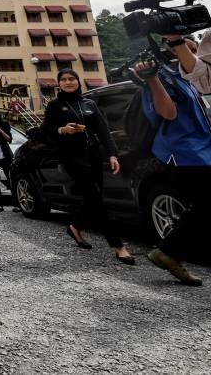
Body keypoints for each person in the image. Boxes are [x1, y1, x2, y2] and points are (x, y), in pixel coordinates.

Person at [134, 40, 211, 286]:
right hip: (183, 151)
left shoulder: (192, 75)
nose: (193, 45)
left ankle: (170, 251)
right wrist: (152, 79)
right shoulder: (163, 75)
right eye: (184, 42)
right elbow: (168, 113)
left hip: (203, 148)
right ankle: (168, 251)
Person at [42, 68, 134, 265]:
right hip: (71, 157)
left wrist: (112, 154)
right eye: (64, 79)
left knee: (94, 196)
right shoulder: (55, 106)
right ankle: (118, 246)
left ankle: (74, 226)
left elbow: (103, 131)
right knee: (95, 198)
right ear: (59, 84)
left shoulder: (89, 103)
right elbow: (45, 132)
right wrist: (62, 129)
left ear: (78, 81)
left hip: (93, 155)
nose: (68, 82)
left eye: (71, 79)